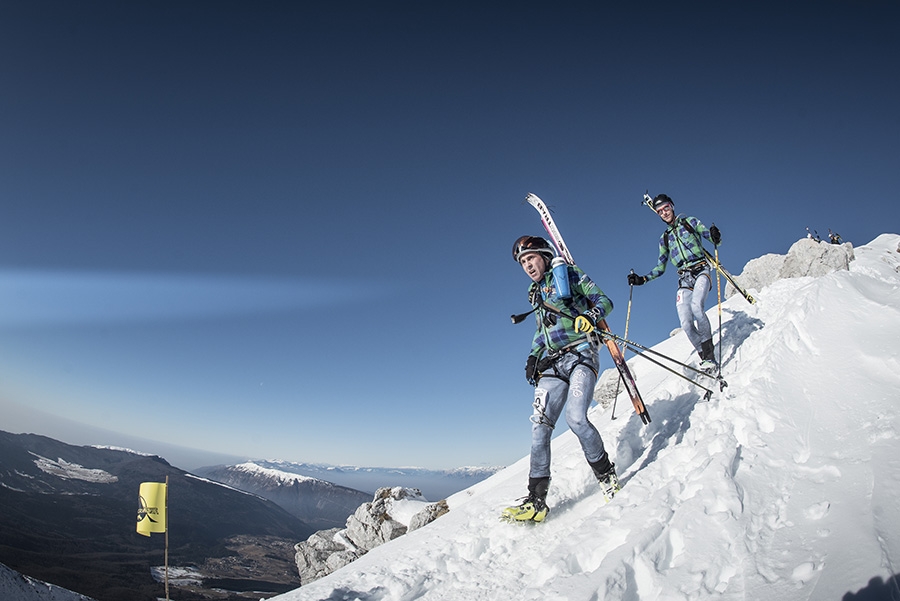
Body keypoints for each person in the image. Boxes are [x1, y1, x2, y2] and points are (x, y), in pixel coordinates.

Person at [502, 235, 619, 523]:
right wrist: (532, 356)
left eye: (530, 259)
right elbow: (542, 330)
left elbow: (605, 300)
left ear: (543, 255)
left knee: (577, 418)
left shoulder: (568, 274)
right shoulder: (534, 292)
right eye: (522, 262)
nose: (527, 265)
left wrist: (591, 316)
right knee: (539, 427)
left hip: (581, 353)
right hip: (553, 364)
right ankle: (536, 500)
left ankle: (607, 477)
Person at [628, 194, 721, 372]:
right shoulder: (664, 239)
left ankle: (710, 356)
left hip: (701, 270)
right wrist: (642, 279)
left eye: (666, 208)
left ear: (672, 206)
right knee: (686, 323)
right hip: (684, 278)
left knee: (697, 308)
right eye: (660, 211)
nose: (664, 212)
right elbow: (660, 267)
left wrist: (715, 236)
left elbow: (711, 238)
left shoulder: (689, 222)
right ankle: (705, 359)